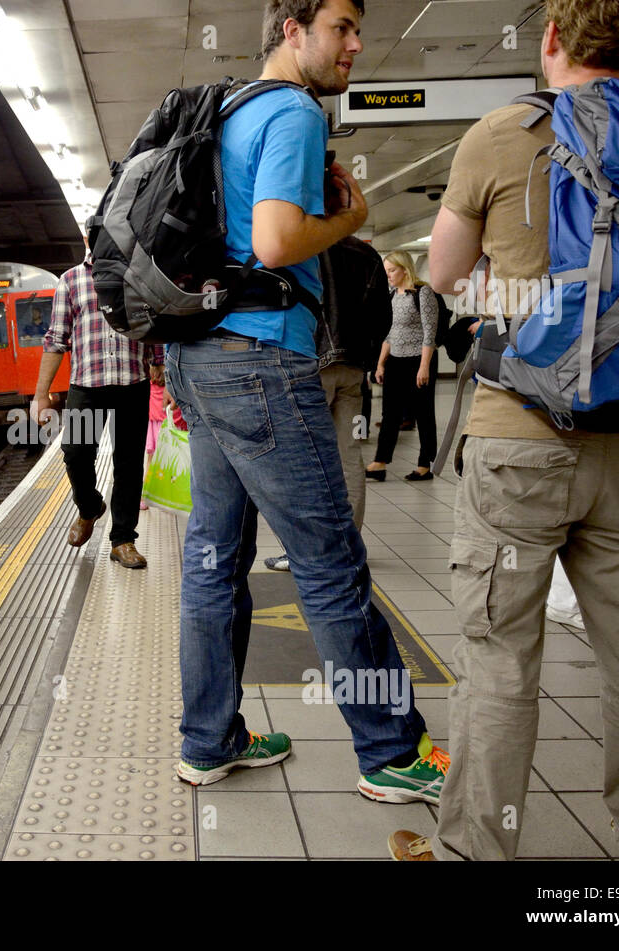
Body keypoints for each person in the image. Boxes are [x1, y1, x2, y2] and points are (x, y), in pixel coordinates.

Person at [390, 0, 619, 862]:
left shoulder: (501, 132)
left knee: (499, 659)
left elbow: (444, 274)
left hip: (519, 435)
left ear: (551, 37)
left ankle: (481, 851)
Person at [167, 0, 448, 796]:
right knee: (330, 563)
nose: (356, 45)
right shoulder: (291, 110)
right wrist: (353, 219)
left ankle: (208, 738)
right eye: (342, 27)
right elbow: (275, 242)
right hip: (260, 360)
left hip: (200, 354)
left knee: (213, 558)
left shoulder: (225, 109)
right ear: (292, 31)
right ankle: (392, 751)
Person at [33, 242, 163, 570]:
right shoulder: (71, 280)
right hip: (85, 387)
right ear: (91, 240)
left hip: (132, 383)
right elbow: (56, 338)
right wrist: (40, 394)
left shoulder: (139, 276)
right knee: (75, 452)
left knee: (129, 465)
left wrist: (159, 360)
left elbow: (152, 324)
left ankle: (123, 540)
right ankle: (89, 508)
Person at [265, 235, 392, 570]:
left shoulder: (298, 245)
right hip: (352, 371)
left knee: (303, 459)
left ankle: (305, 551)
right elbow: (383, 319)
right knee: (349, 455)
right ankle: (350, 546)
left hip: (308, 366)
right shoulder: (365, 252)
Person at [366, 250, 438, 482]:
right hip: (395, 359)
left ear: (405, 269)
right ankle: (380, 462)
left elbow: (430, 333)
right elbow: (390, 333)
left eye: (391, 270)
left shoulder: (423, 293)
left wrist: (424, 366)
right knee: (390, 414)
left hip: (419, 359)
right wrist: (380, 364)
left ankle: (424, 465)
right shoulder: (391, 295)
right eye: (386, 271)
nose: (388, 275)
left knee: (423, 412)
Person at [141, 373, 168, 511]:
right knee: (171, 464)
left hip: (154, 426)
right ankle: (168, 498)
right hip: (169, 429)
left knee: (151, 463)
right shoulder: (171, 386)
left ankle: (144, 498)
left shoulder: (150, 385)